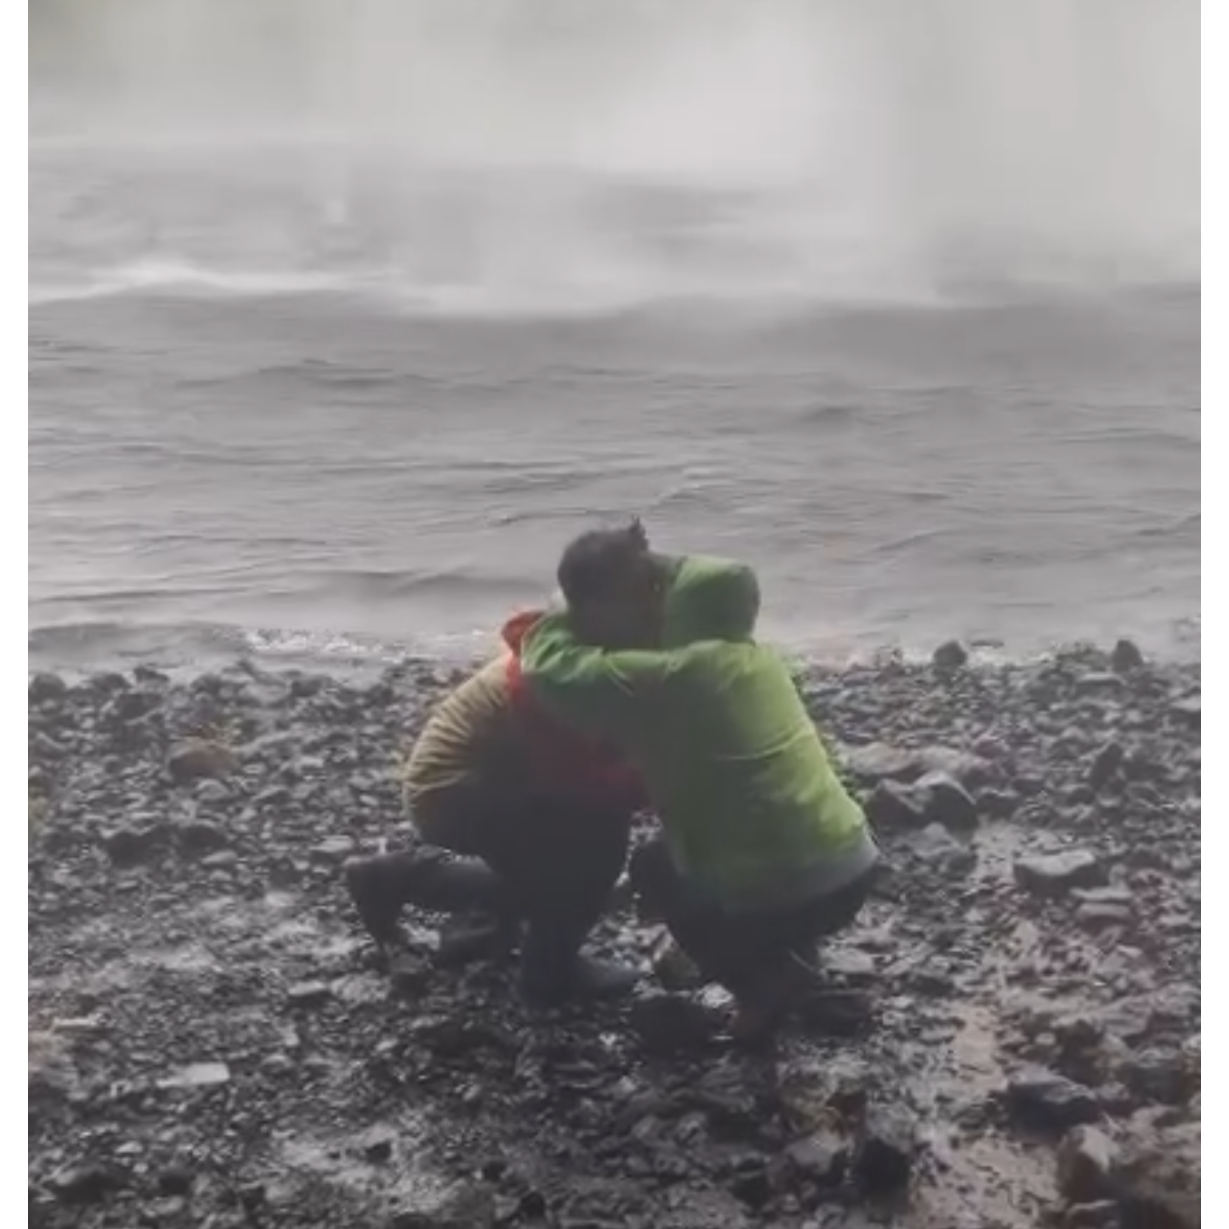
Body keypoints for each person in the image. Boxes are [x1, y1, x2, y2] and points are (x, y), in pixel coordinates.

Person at [519, 522, 880, 1039]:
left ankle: (762, 983)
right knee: (750, 830)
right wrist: (654, 565)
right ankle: (797, 952)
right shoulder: (752, 655)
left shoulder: (667, 681)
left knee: (654, 867)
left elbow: (551, 670)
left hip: (805, 888)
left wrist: (560, 616)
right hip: (855, 865)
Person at [344, 607, 647, 1009]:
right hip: (453, 792)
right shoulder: (559, 681)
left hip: (479, 780)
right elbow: (584, 777)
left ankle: (395, 878)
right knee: (591, 852)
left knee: (543, 876)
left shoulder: (564, 650)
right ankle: (549, 974)